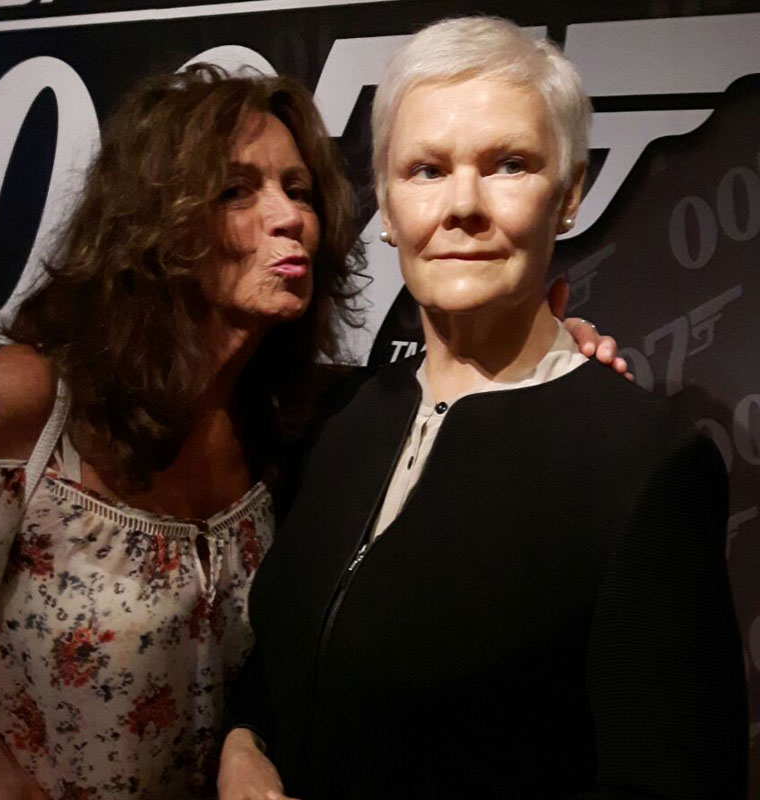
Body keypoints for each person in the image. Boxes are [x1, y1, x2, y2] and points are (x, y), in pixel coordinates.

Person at [217, 17, 748, 800]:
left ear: (568, 196)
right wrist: (242, 742)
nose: (462, 206)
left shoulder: (647, 468)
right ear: (387, 206)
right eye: (426, 170)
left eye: (509, 165)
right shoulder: (339, 419)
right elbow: (291, 648)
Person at [0, 64, 365, 800]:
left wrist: (563, 346)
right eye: (237, 190)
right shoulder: (32, 399)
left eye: (298, 190)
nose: (289, 218)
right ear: (156, 222)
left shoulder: (287, 424)